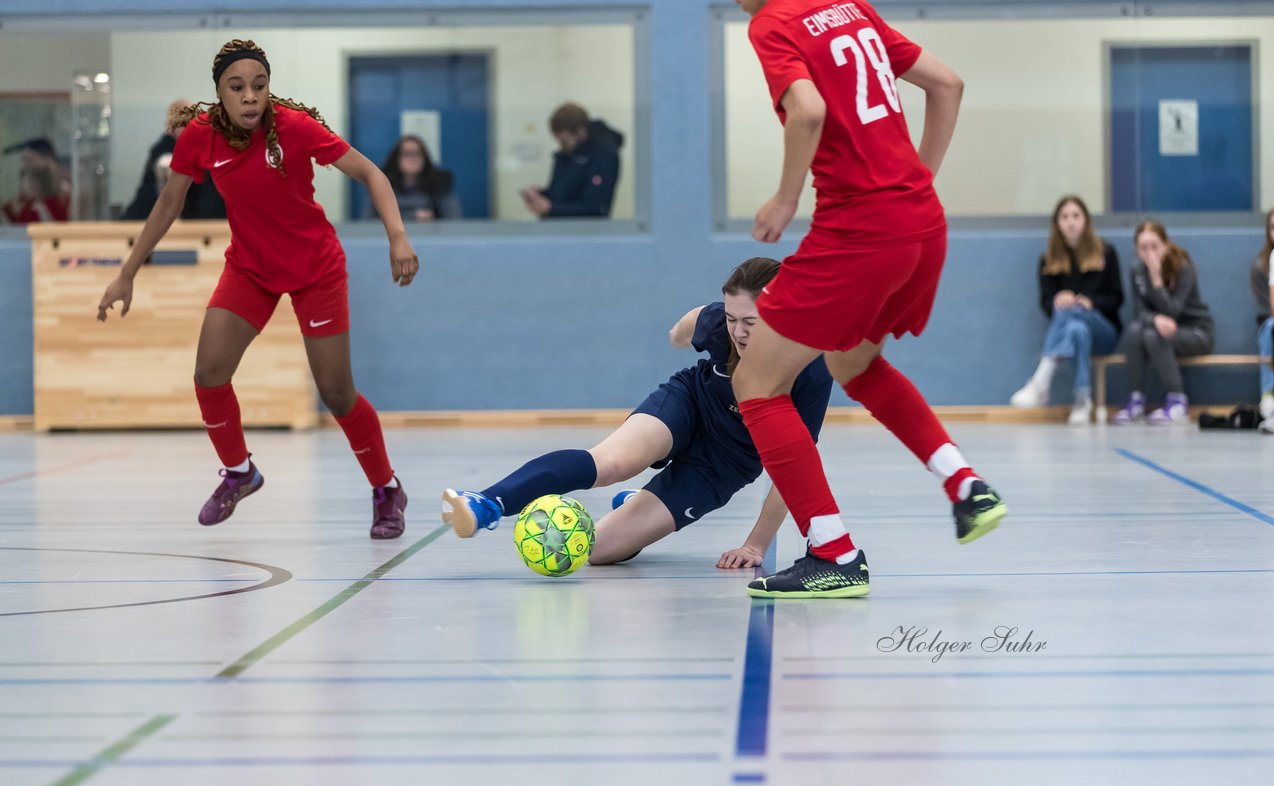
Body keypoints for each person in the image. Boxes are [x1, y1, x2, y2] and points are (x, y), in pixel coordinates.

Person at [728, 0, 1006, 599]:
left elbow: (807, 112)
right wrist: (917, 185)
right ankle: (963, 483)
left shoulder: (772, 23)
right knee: (853, 362)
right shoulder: (849, 7)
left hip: (858, 233)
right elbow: (948, 84)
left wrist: (783, 199)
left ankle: (833, 553)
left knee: (755, 382)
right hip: (922, 224)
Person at [96, 39, 420, 538]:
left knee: (336, 393)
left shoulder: (294, 127)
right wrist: (127, 271)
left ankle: (386, 489)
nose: (250, 96)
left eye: (259, 86)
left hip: (315, 269)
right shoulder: (199, 136)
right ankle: (240, 472)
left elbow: (371, 174)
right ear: (220, 93)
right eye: (237, 87)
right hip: (250, 269)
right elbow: (167, 205)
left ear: (269, 89)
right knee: (209, 373)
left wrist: (397, 236)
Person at [441, 257, 832, 569]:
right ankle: (486, 503)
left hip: (724, 463)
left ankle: (635, 506)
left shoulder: (810, 367)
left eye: (751, 321)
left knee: (599, 552)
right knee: (612, 462)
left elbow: (797, 468)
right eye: (732, 319)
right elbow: (683, 329)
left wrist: (754, 545)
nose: (739, 332)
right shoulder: (717, 324)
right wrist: (682, 335)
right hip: (691, 404)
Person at [1010, 195, 1123, 425]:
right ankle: (1082, 398)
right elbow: (1046, 305)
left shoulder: (1106, 253)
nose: (1071, 222)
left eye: (1076, 216)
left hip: (1104, 331)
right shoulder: (1048, 261)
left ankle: (1041, 381)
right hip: (1073, 330)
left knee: (1074, 313)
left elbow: (1117, 298)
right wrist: (1059, 300)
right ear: (1057, 224)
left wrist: (1091, 303)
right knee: (1075, 327)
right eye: (1065, 217)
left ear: (1085, 220)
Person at [1112, 220, 1214, 425]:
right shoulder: (1137, 269)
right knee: (1135, 331)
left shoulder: (1182, 268)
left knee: (1153, 335)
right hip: (1160, 332)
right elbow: (1139, 310)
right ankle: (1136, 398)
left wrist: (1157, 280)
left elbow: (1173, 311)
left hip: (1195, 332)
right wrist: (1155, 318)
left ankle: (1177, 400)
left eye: (1154, 246)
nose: (1149, 253)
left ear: (1165, 246)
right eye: (1143, 248)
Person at [121, 100, 227, 221]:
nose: (186, 127)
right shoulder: (163, 150)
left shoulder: (204, 147)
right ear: (169, 127)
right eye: (181, 123)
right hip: (148, 217)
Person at [520, 102, 623, 219]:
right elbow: (561, 195)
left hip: (586, 233)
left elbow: (596, 207)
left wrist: (551, 208)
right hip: (559, 230)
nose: (561, 146)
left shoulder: (603, 156)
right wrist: (540, 195)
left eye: (565, 140)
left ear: (581, 132)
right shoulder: (565, 155)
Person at [369, 135, 461, 222]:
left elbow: (453, 221)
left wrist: (433, 221)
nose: (413, 158)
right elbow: (367, 223)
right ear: (396, 159)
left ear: (425, 158)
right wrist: (412, 217)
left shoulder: (440, 184)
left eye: (417, 153)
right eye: (406, 154)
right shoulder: (381, 186)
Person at [1250, 205, 1274, 426]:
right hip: (1270, 319)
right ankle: (1269, 394)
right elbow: (1271, 307)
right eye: (1273, 226)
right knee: (1273, 328)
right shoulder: (1263, 264)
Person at [1, 164, 69, 223]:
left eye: (26, 182)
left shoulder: (52, 204)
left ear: (36, 184)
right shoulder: (28, 203)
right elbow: (19, 226)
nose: (24, 187)